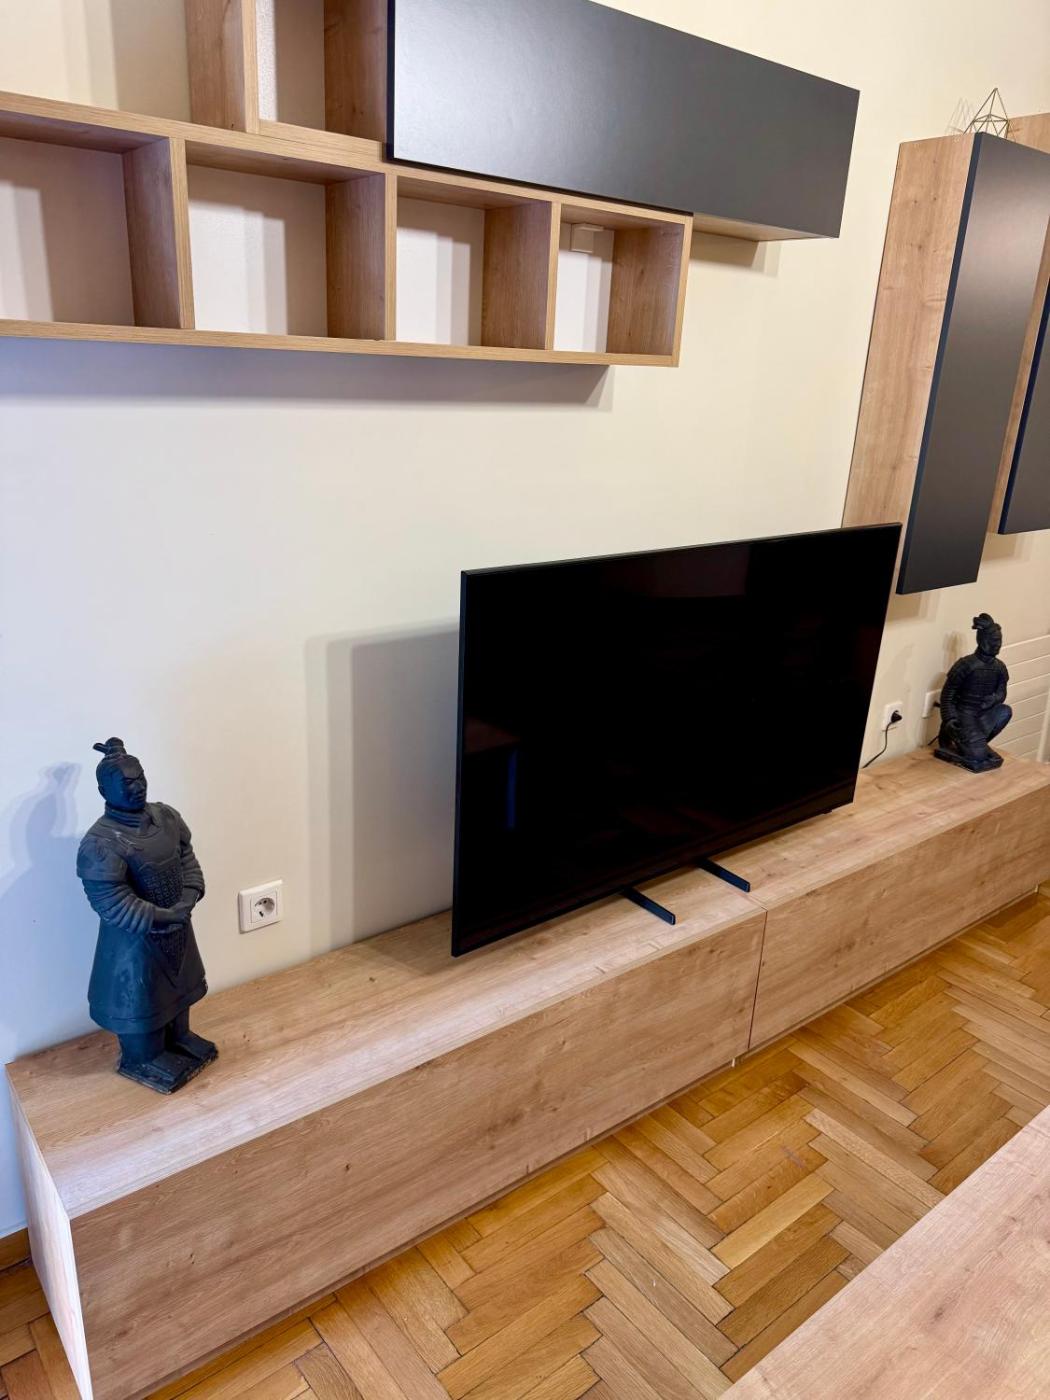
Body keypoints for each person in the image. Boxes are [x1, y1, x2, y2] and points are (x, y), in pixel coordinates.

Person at [76, 738, 217, 1092]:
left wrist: (188, 897)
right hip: (133, 945)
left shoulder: (167, 817)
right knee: (142, 998)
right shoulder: (100, 843)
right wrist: (162, 916)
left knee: (179, 986)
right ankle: (144, 1057)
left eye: (139, 778)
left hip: (178, 927)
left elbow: (187, 860)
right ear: (103, 790)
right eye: (126, 782)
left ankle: (180, 1037)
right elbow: (111, 901)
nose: (136, 787)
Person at [936, 614, 1012, 772]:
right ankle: (971, 745)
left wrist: (994, 699)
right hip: (964, 716)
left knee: (1004, 712)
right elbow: (947, 696)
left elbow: (1002, 692)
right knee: (978, 756)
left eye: (999, 640)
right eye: (994, 640)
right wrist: (950, 720)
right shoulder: (966, 665)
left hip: (983, 715)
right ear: (982, 640)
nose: (997, 644)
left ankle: (975, 743)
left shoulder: (999, 667)